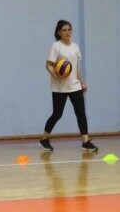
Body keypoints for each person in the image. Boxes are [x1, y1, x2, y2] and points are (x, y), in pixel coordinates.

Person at [40, 19, 97, 153]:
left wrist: (82, 81)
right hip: (60, 87)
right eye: (64, 30)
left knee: (81, 113)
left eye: (69, 29)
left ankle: (85, 142)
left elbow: (76, 68)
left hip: (75, 86)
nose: (67, 32)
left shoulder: (75, 47)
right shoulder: (56, 47)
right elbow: (48, 64)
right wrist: (55, 74)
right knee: (57, 114)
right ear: (59, 32)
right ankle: (44, 139)